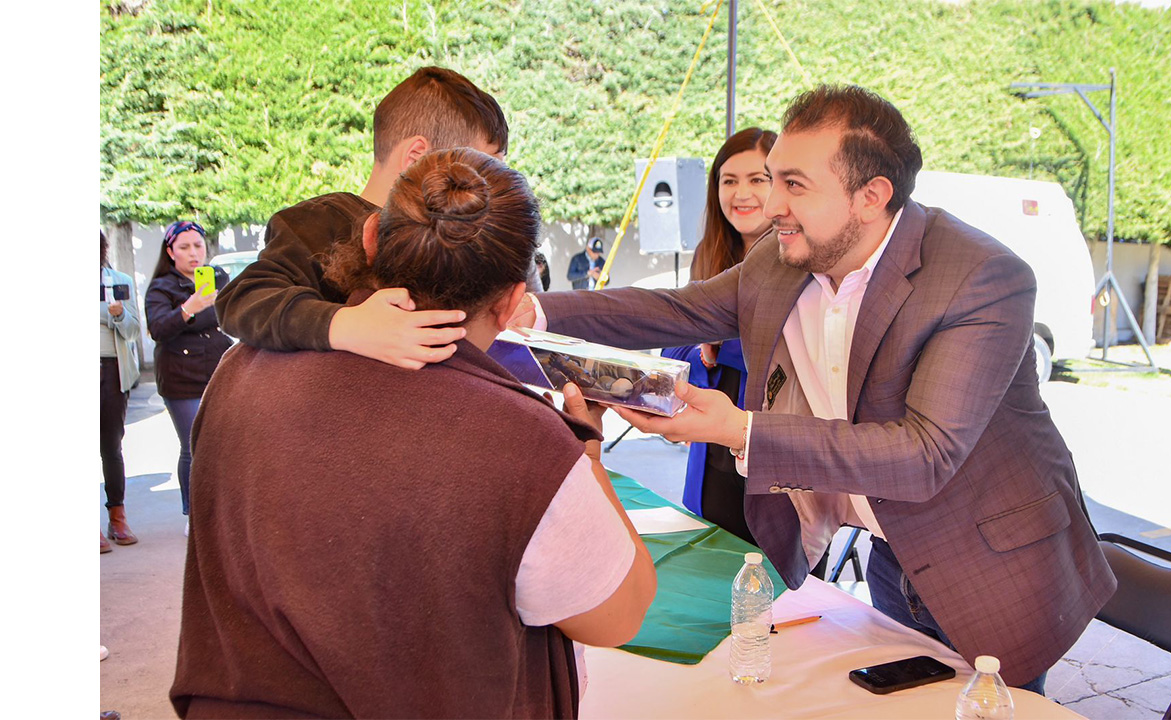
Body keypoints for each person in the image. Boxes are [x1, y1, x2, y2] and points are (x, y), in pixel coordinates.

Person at [516, 85, 1116, 693]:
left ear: (871, 197)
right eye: (773, 179)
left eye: (794, 185)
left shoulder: (980, 277)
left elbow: (924, 455)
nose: (771, 203)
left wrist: (736, 429)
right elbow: (671, 309)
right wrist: (529, 311)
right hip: (891, 549)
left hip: (988, 561)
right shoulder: (780, 261)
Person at [170, 148, 656, 719]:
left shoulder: (238, 373)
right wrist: (588, 454)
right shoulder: (524, 441)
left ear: (371, 237)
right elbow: (619, 613)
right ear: (511, 304)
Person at [214, 66, 507, 369]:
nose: (492, 188)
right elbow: (243, 299)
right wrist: (346, 325)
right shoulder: (320, 223)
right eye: (483, 168)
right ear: (417, 157)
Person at [660, 127, 776, 547]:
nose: (741, 193)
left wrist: (718, 343)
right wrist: (703, 347)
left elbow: (794, 354)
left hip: (771, 452)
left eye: (757, 179)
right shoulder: (708, 254)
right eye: (729, 181)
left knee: (779, 598)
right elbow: (672, 347)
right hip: (710, 454)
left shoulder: (804, 257)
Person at [145, 221, 234, 532]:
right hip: (181, 377)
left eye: (198, 245)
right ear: (170, 252)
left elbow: (230, 317)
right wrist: (189, 308)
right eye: (184, 247)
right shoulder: (161, 287)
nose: (194, 253)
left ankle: (221, 509)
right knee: (194, 444)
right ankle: (193, 514)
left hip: (218, 370)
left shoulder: (217, 278)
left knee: (223, 443)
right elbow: (158, 329)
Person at [100, 231, 142, 550]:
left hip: (112, 371)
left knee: (111, 446)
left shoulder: (119, 280)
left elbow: (132, 331)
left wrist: (119, 314)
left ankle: (118, 516)